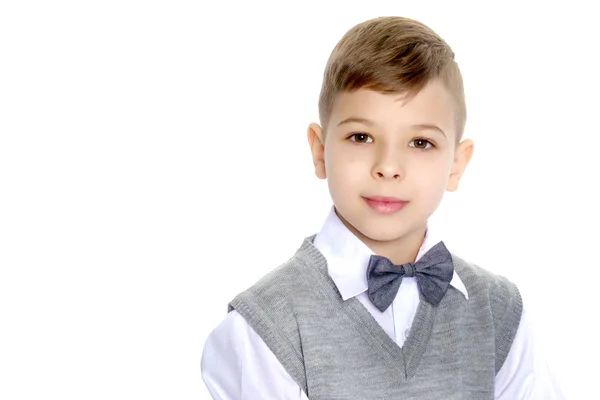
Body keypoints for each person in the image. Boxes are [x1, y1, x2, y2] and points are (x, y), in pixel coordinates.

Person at [200, 16, 564, 399]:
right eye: (361, 136)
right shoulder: (263, 328)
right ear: (320, 151)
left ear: (457, 164)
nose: (388, 167)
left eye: (421, 143)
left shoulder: (501, 313)